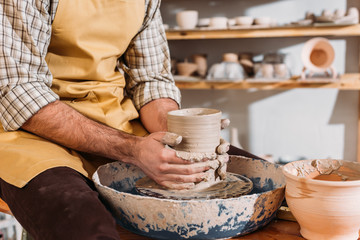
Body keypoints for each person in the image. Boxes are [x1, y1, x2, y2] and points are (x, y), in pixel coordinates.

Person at [0, 0, 262, 239]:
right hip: (29, 131)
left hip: (115, 119)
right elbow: (18, 90)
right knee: (85, 225)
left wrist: (180, 135)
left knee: (261, 186)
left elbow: (150, 80)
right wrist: (133, 150)